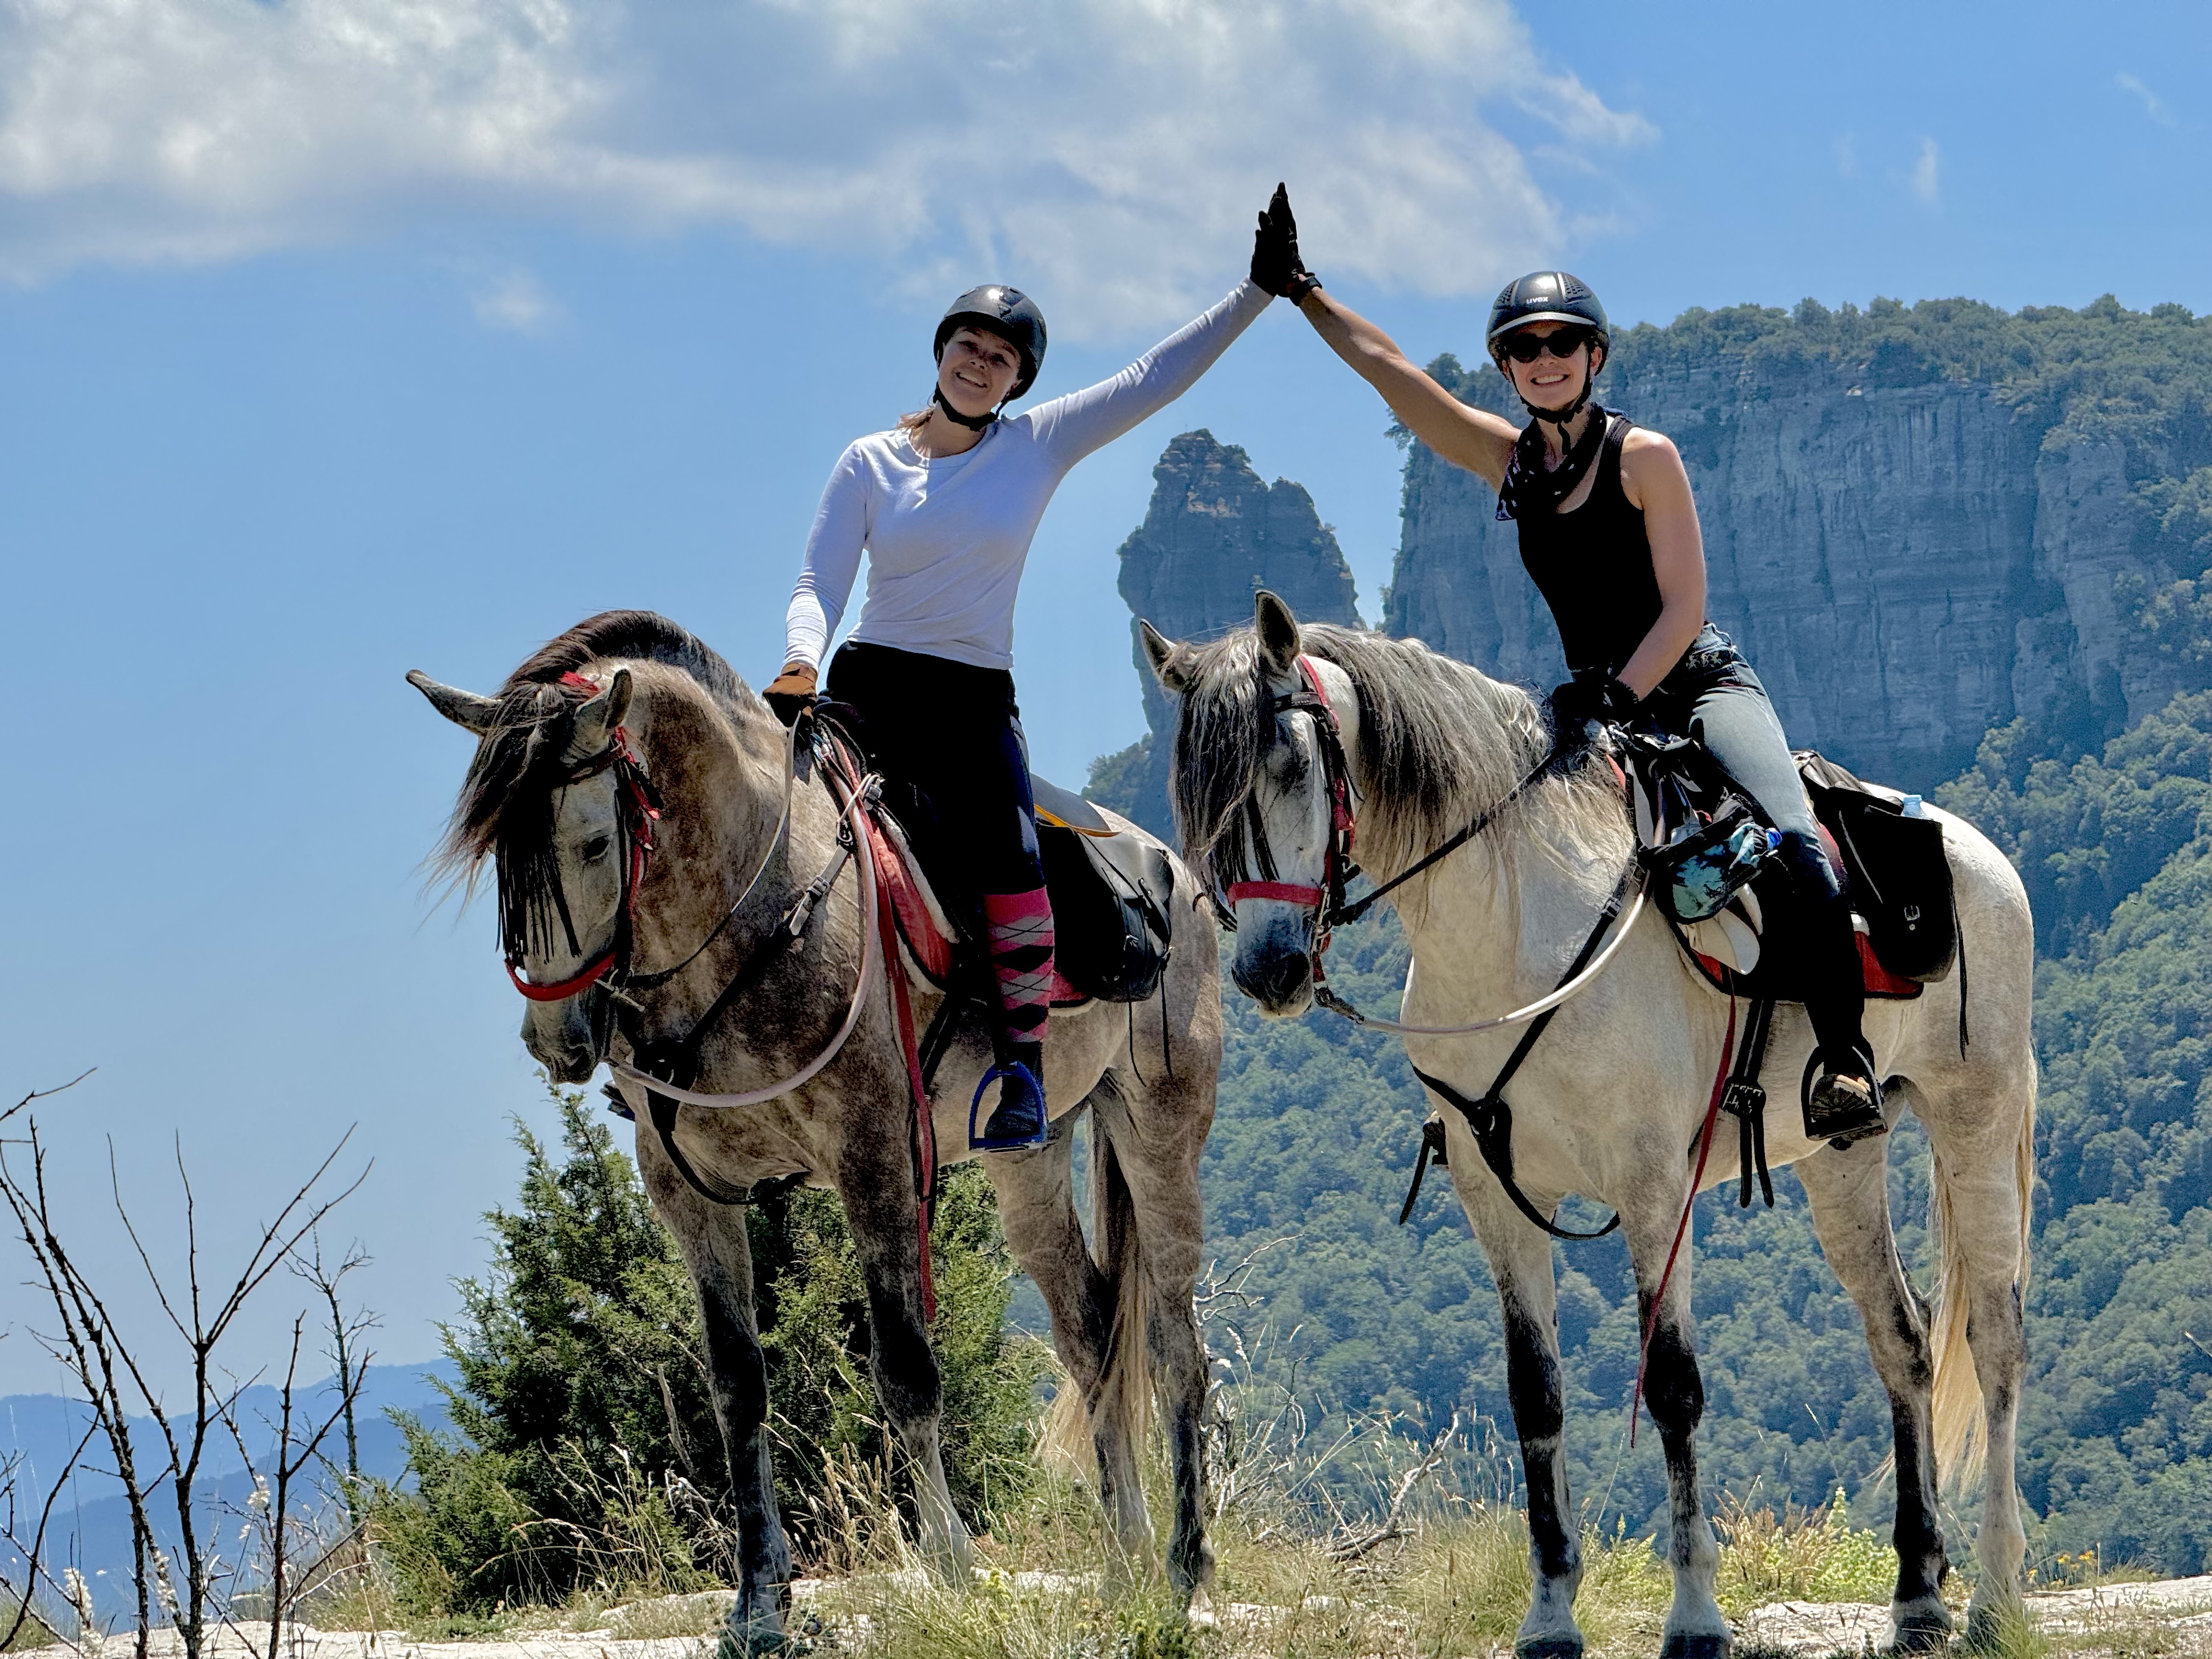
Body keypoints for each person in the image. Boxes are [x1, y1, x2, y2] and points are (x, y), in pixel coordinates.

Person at [1247, 185, 1884, 1149]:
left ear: (1595, 356)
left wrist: (1618, 694)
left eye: (1562, 344)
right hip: (1592, 710)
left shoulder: (1646, 457)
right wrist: (1302, 291)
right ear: (1508, 366)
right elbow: (1393, 375)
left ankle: (1842, 1059)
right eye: (1525, 348)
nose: (1544, 360)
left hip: (1692, 685)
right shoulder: (1509, 464)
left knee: (1795, 843)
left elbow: (1686, 608)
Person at [761, 272, 1273, 1149]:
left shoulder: (1037, 445)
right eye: (969, 346)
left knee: (1015, 861)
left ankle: (1023, 1077)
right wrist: (801, 662)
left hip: (971, 700)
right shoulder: (869, 461)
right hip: (866, 687)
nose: (980, 363)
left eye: (1000, 358)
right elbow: (821, 582)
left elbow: (1152, 376)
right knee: (765, 824)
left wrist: (1256, 292)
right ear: (941, 351)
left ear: (1016, 380)